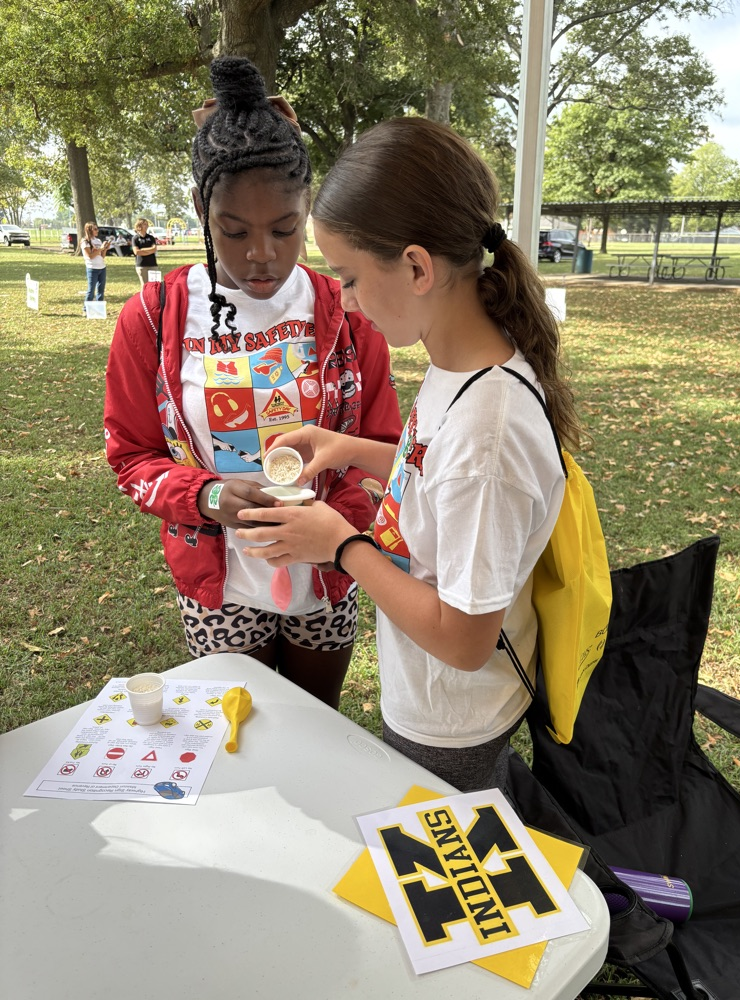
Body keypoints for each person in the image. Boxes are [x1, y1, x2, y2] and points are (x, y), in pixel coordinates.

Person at [236, 116, 581, 792]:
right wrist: (350, 449)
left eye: (352, 277)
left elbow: (463, 638)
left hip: (453, 722)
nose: (345, 298)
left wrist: (341, 547)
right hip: (433, 699)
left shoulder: (491, 433)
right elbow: (432, 467)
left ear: (418, 267)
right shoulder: (462, 364)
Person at [103, 57, 402, 709]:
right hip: (219, 585)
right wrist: (207, 496)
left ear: (308, 210)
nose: (261, 255)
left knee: (317, 726)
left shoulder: (349, 312)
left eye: (285, 230)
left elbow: (384, 446)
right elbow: (132, 458)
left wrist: (339, 531)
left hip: (326, 580)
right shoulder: (153, 320)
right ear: (199, 209)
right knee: (244, 737)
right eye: (232, 232)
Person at [80, 222, 111, 313]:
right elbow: (90, 256)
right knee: (91, 290)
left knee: (101, 290)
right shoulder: (85, 242)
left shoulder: (98, 241)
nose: (97, 231)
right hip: (92, 268)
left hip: (102, 267)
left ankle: (99, 309)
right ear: (89, 230)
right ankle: (86, 310)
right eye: (95, 229)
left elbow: (102, 256)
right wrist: (101, 248)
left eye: (97, 229)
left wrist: (105, 249)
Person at [132, 219, 158, 284]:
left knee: (155, 285)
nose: (146, 226)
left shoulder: (151, 237)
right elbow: (137, 252)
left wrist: (142, 250)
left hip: (152, 264)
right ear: (139, 226)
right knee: (144, 286)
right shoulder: (135, 238)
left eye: (147, 224)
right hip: (141, 265)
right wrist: (149, 250)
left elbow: (154, 249)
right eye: (144, 224)